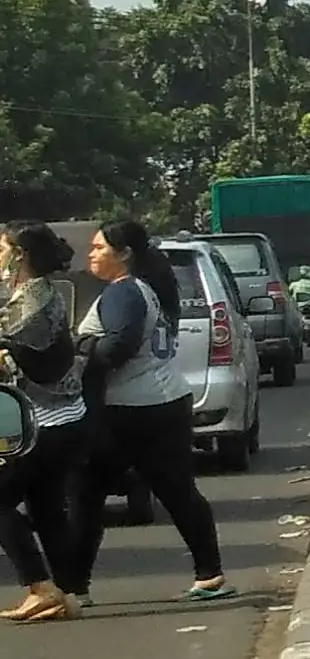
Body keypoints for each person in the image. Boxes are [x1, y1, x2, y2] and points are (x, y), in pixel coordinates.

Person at [80, 221, 232, 604]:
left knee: (84, 495)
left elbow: (117, 347)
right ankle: (210, 574)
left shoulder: (123, 293)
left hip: (132, 410)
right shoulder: (146, 289)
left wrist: (78, 346)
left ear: (124, 253)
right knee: (177, 492)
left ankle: (71, 588)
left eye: (99, 247)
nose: (91, 254)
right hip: (162, 403)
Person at [3, 223, 102, 621]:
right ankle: (67, 593)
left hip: (42, 423)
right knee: (45, 508)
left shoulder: (35, 300)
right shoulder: (35, 294)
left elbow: (14, 352)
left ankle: (40, 586)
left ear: (19, 254)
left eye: (1, 247)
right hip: (57, 420)